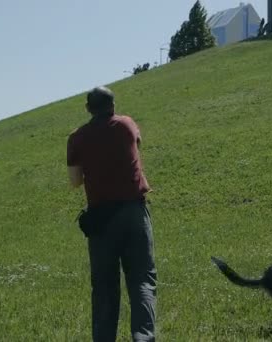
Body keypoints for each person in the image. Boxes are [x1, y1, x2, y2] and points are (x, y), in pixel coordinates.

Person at [66, 86, 156, 341]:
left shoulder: (77, 137)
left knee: (104, 289)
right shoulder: (127, 124)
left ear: (87, 109)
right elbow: (137, 145)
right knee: (142, 281)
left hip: (101, 220)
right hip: (134, 213)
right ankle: (144, 338)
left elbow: (75, 182)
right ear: (113, 106)